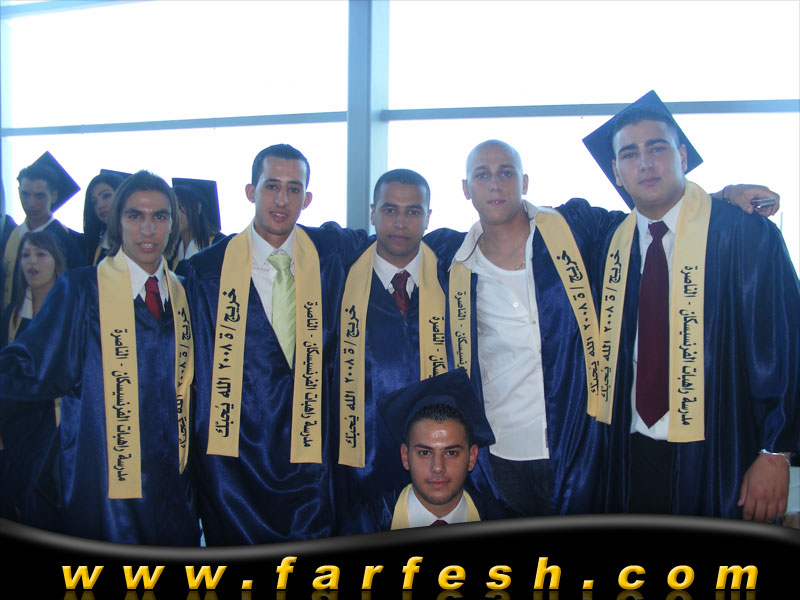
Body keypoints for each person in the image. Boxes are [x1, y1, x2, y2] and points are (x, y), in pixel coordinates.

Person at [433, 138, 780, 519]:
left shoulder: (574, 228)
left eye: (506, 173)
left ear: (525, 181)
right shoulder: (451, 258)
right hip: (500, 453)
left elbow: (653, 217)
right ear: (466, 188)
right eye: (482, 175)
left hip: (582, 446)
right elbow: (394, 243)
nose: (495, 184)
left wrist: (724, 195)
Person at [583, 91, 799, 522]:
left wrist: (776, 452)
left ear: (682, 155)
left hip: (724, 452)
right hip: (630, 454)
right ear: (617, 173)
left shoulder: (743, 235)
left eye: (657, 148)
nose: (645, 163)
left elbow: (788, 347)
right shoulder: (609, 245)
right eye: (630, 154)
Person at [0, 170, 200, 545]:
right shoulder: (81, 291)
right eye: (135, 215)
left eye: (160, 216)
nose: (148, 229)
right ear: (116, 222)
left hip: (174, 485)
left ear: (173, 224)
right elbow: (29, 368)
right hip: (105, 485)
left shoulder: (187, 294)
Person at [184, 143, 369, 545]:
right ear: (251, 191)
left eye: (293, 189)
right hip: (237, 461)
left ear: (307, 198)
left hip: (313, 455)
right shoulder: (206, 271)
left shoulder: (332, 255)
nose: (282, 200)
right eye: (271, 187)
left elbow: (398, 237)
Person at [333, 168, 450, 530]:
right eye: (389, 210)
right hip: (360, 461)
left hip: (436, 462)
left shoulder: (453, 278)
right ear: (372, 213)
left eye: (413, 211)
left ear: (428, 217)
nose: (400, 223)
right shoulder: (336, 277)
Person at [343, 369, 519, 532]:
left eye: (451, 453)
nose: (438, 467)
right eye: (425, 453)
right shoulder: (363, 526)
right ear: (405, 456)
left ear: (472, 457)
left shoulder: (503, 523)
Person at [0, 231, 66, 521]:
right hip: (15, 422)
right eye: (26, 255)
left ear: (56, 261)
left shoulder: (69, 311)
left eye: (41, 254)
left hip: (56, 421)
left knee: (42, 501)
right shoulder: (12, 315)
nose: (32, 262)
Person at [2, 151, 86, 314]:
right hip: (12, 320)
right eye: (25, 194)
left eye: (39, 196)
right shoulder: (13, 234)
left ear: (53, 196)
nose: (30, 203)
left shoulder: (66, 241)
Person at [168, 177, 224, 274]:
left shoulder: (219, 247)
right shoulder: (170, 254)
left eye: (179, 207)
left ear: (198, 207)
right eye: (170, 209)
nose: (173, 215)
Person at [83, 169, 129, 265]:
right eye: (94, 202)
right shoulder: (94, 249)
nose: (100, 205)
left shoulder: (146, 239)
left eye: (106, 196)